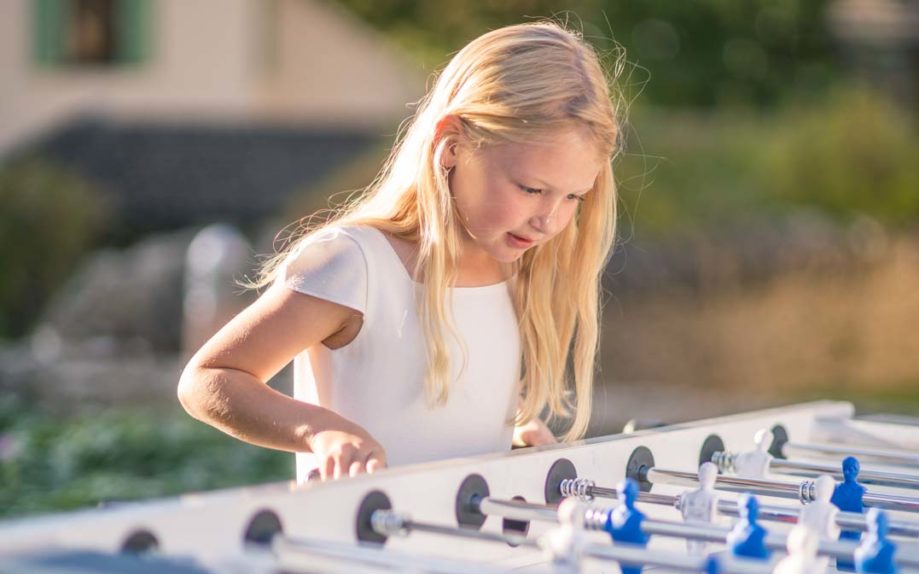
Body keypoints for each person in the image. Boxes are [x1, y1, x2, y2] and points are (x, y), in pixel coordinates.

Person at [177, 22, 624, 481]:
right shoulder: (356, 264)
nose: (549, 220)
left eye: (574, 197)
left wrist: (513, 430)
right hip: (352, 546)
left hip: (471, 548)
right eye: (531, 188)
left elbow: (444, 403)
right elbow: (209, 378)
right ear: (451, 147)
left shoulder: (517, 266)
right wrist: (322, 432)